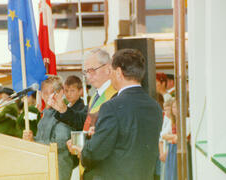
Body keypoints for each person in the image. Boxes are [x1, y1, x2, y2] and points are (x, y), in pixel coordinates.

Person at [73, 49, 163, 180]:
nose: (111, 76)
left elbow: (95, 153)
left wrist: (83, 152)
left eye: (112, 71)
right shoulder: (154, 106)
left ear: (119, 73)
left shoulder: (111, 107)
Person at [49, 48, 117, 132]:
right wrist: (63, 109)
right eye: (86, 72)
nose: (88, 76)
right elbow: (82, 121)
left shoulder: (117, 94)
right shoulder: (96, 96)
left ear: (108, 68)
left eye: (92, 70)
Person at [23, 75, 75, 180]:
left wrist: (34, 142)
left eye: (49, 92)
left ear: (60, 92)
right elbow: (41, 139)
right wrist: (30, 139)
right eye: (43, 92)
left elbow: (60, 144)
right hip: (45, 166)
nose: (46, 96)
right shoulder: (46, 113)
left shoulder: (63, 113)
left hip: (58, 168)